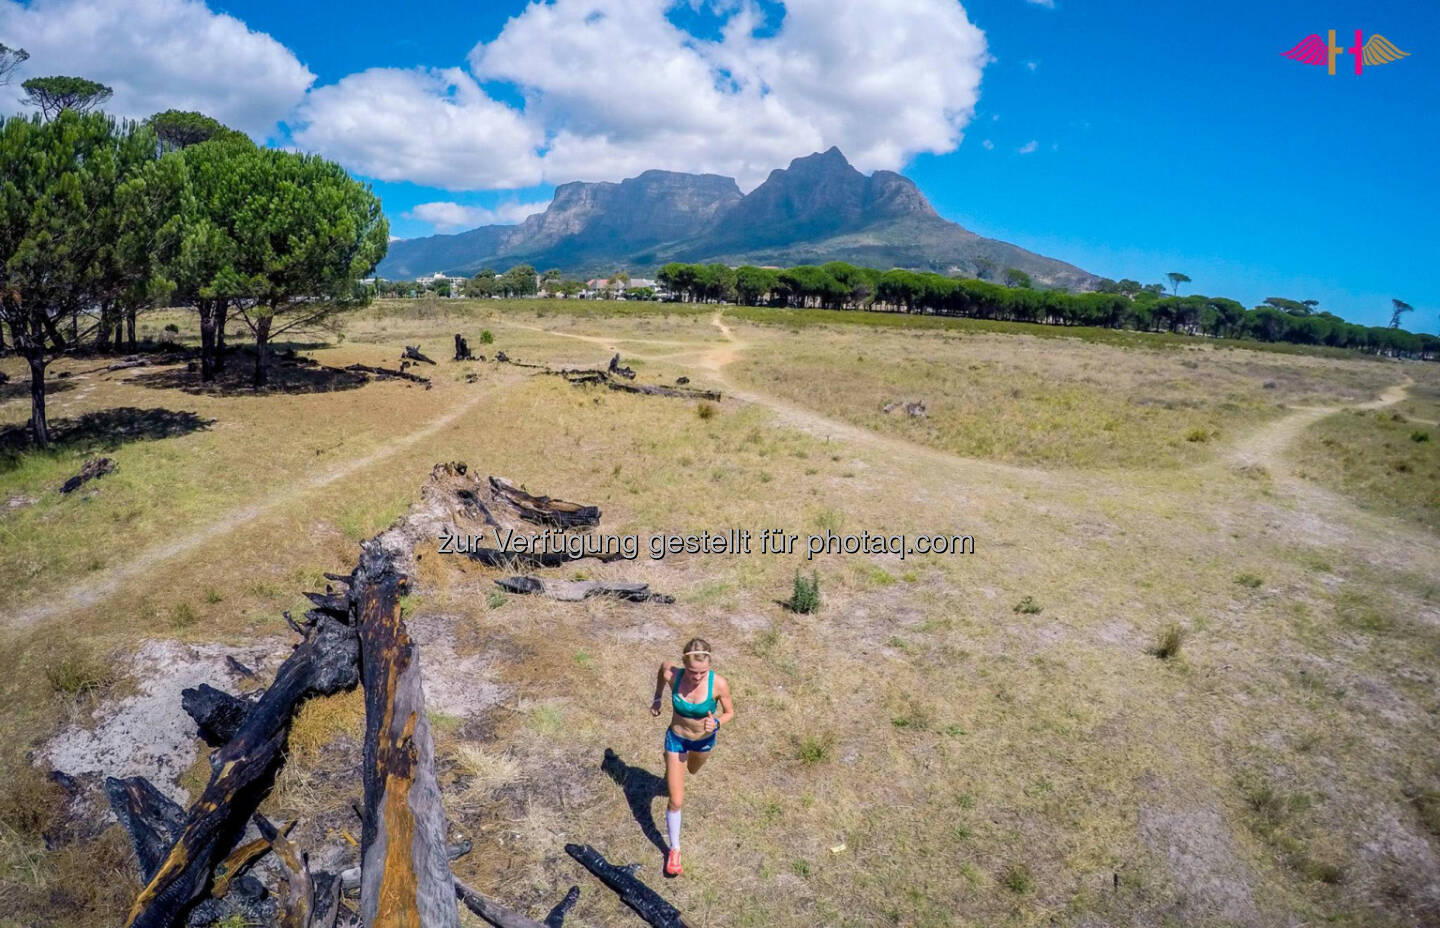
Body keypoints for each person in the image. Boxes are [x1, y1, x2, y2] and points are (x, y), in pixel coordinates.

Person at [650, 636, 734, 876]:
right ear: (684, 665)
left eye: (702, 672)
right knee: (676, 800)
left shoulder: (718, 684)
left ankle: (678, 768)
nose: (697, 677)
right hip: (676, 738)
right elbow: (662, 669)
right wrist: (657, 698)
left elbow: (730, 712)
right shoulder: (674, 676)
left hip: (703, 742)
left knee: (693, 770)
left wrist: (716, 722)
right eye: (692, 672)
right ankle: (674, 850)